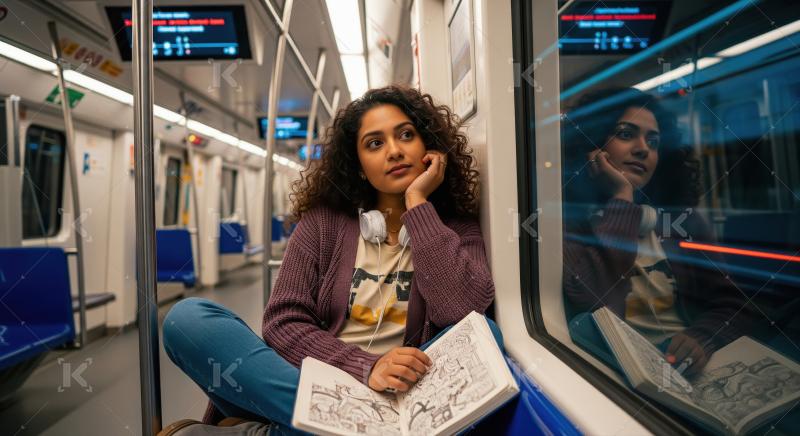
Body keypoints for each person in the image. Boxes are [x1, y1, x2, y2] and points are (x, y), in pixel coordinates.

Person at [162, 85, 500, 434]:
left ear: (428, 147)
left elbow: (462, 315)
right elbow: (283, 324)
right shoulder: (323, 224)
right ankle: (353, 425)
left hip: (402, 394)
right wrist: (366, 367)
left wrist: (418, 204)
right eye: (375, 143)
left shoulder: (454, 227)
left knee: (487, 331)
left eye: (406, 135)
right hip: (315, 382)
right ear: (358, 166)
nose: (395, 151)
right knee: (186, 319)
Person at [561, 88, 762, 376]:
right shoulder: (569, 223)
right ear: (592, 147)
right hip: (612, 374)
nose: (643, 148)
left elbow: (735, 307)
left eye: (653, 142)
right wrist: (621, 197)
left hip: (687, 372)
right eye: (626, 134)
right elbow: (591, 298)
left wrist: (701, 339)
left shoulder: (683, 224)